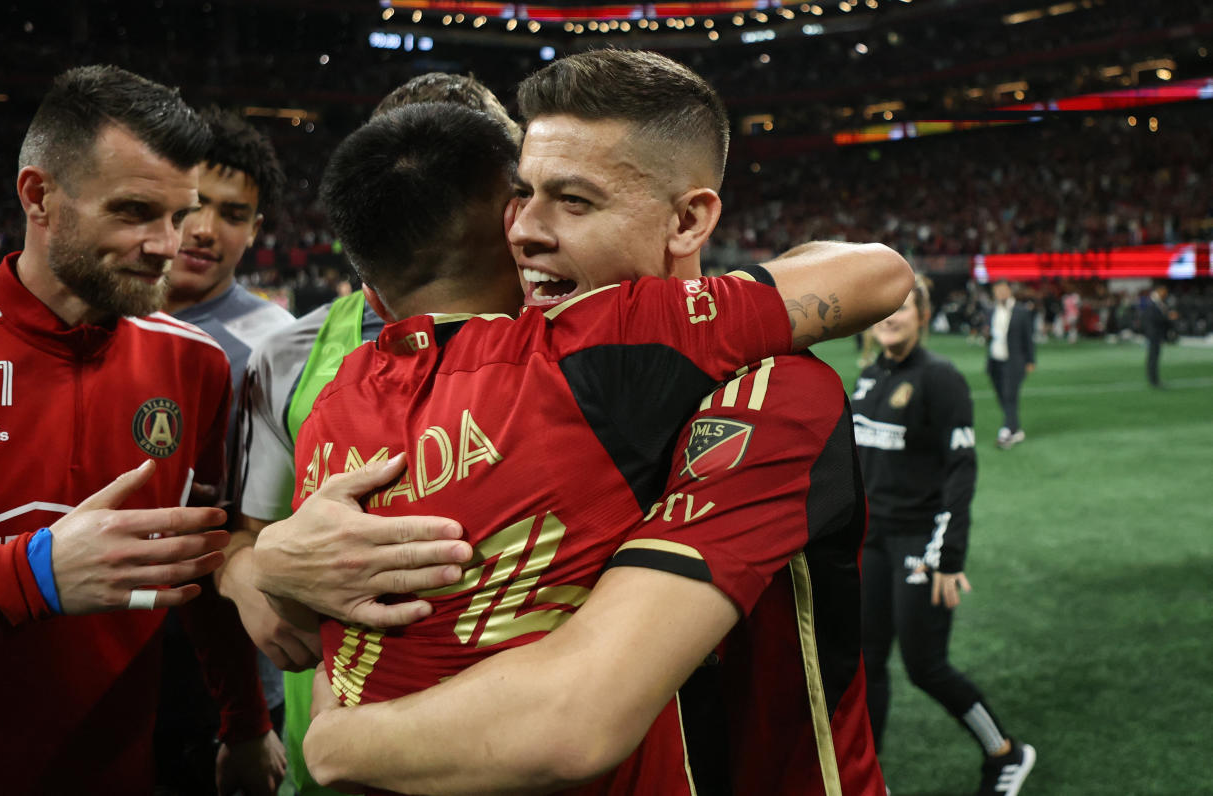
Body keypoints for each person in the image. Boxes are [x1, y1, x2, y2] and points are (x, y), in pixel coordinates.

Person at [262, 50, 908, 794]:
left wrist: (339, 743)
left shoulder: (773, 392)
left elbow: (574, 713)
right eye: (521, 195)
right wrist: (274, 562)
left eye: (574, 200)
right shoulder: (497, 388)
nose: (524, 230)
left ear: (689, 219)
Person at [0, 65, 269, 794]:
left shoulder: (194, 364)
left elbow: (196, 567)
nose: (169, 245)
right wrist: (32, 574)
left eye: (179, 214)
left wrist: (246, 725)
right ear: (38, 197)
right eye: (136, 212)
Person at [221, 73, 522, 796]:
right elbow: (245, 535)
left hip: (520, 745)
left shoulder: (582, 345)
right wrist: (252, 583)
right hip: (336, 746)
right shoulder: (292, 356)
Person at [852, 278, 1036, 796]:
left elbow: (961, 470)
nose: (891, 316)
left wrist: (948, 557)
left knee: (925, 666)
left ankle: (1006, 753)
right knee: (867, 662)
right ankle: (869, 779)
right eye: (884, 307)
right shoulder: (868, 378)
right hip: (871, 542)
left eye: (903, 307)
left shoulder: (940, 378)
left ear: (923, 315)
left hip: (920, 544)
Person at [158, 105, 292, 796]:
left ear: (255, 231)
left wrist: (246, 718)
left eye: (233, 214)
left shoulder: (278, 347)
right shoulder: (101, 317)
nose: (207, 230)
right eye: (193, 205)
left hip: (229, 658)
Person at [985, 279, 1035, 449]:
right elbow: (989, 333)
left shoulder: (1021, 312)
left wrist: (1030, 360)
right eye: (997, 291)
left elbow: (1028, 338)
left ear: (1009, 290)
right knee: (1002, 396)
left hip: (1014, 361)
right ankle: (1015, 427)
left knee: (1009, 395)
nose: (1000, 293)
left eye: (1003, 290)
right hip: (995, 360)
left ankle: (1008, 430)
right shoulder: (991, 310)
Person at [1142, 284, 1177, 388]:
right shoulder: (1152, 303)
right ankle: (1153, 380)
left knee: (1154, 357)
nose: (1165, 293)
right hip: (1153, 334)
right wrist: (1168, 317)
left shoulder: (1159, 303)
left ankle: (1154, 379)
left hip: (1156, 334)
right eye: (1163, 291)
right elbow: (1154, 319)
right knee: (1153, 357)